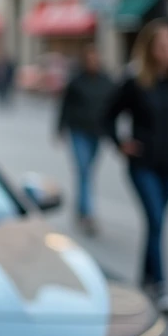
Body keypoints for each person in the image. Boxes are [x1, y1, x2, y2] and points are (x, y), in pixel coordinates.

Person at [102, 20, 168, 313]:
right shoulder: (135, 82)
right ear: (149, 49)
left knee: (155, 224)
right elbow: (108, 116)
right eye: (162, 46)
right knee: (157, 221)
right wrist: (120, 143)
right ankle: (161, 285)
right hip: (142, 163)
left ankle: (145, 277)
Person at [56, 44, 114, 236]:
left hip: (97, 133)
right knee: (83, 171)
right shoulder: (77, 81)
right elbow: (65, 105)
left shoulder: (106, 81)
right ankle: (88, 214)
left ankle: (81, 208)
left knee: (88, 172)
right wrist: (60, 127)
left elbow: (114, 107)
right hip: (78, 131)